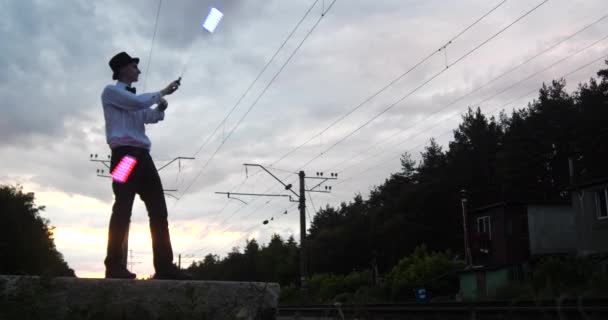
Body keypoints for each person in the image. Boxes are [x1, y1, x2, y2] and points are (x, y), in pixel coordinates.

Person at [101, 51, 189, 280]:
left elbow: (149, 117)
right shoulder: (111, 92)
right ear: (122, 69)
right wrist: (162, 92)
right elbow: (137, 103)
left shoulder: (132, 99)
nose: (138, 71)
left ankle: (164, 267)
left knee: (159, 210)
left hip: (143, 157)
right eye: (134, 66)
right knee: (122, 209)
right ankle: (113, 266)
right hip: (125, 157)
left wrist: (160, 108)